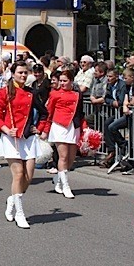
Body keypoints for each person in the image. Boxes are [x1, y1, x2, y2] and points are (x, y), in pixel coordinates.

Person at [0, 61, 50, 229]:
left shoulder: (32, 93)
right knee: (18, 174)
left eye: (26, 73)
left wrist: (38, 129)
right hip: (11, 138)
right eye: (20, 72)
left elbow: (44, 114)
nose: (24, 75)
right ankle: (19, 213)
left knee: (28, 177)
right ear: (13, 73)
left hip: (28, 138)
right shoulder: (4, 92)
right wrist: (5, 129)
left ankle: (12, 199)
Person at [45, 69, 83, 199]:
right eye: (60, 80)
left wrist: (83, 129)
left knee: (71, 159)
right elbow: (49, 112)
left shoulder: (77, 94)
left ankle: (58, 178)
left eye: (65, 81)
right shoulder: (54, 94)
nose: (62, 83)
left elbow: (80, 112)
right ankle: (66, 186)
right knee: (63, 156)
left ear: (71, 81)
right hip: (59, 125)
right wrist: (45, 129)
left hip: (73, 126)